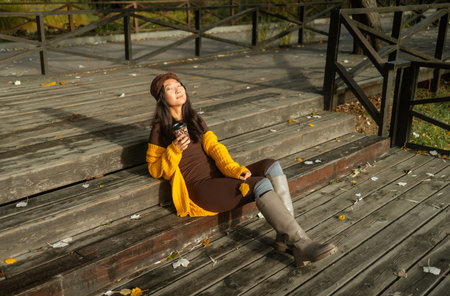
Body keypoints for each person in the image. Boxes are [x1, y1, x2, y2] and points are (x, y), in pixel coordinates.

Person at [146, 73, 337, 267]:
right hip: (200, 190)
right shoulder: (160, 128)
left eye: (179, 84)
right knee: (259, 184)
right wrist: (174, 150)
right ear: (162, 97)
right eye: (170, 88)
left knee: (271, 165)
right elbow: (155, 169)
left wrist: (234, 170)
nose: (178, 89)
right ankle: (300, 243)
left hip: (219, 178)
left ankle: (285, 239)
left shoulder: (195, 119)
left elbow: (215, 149)